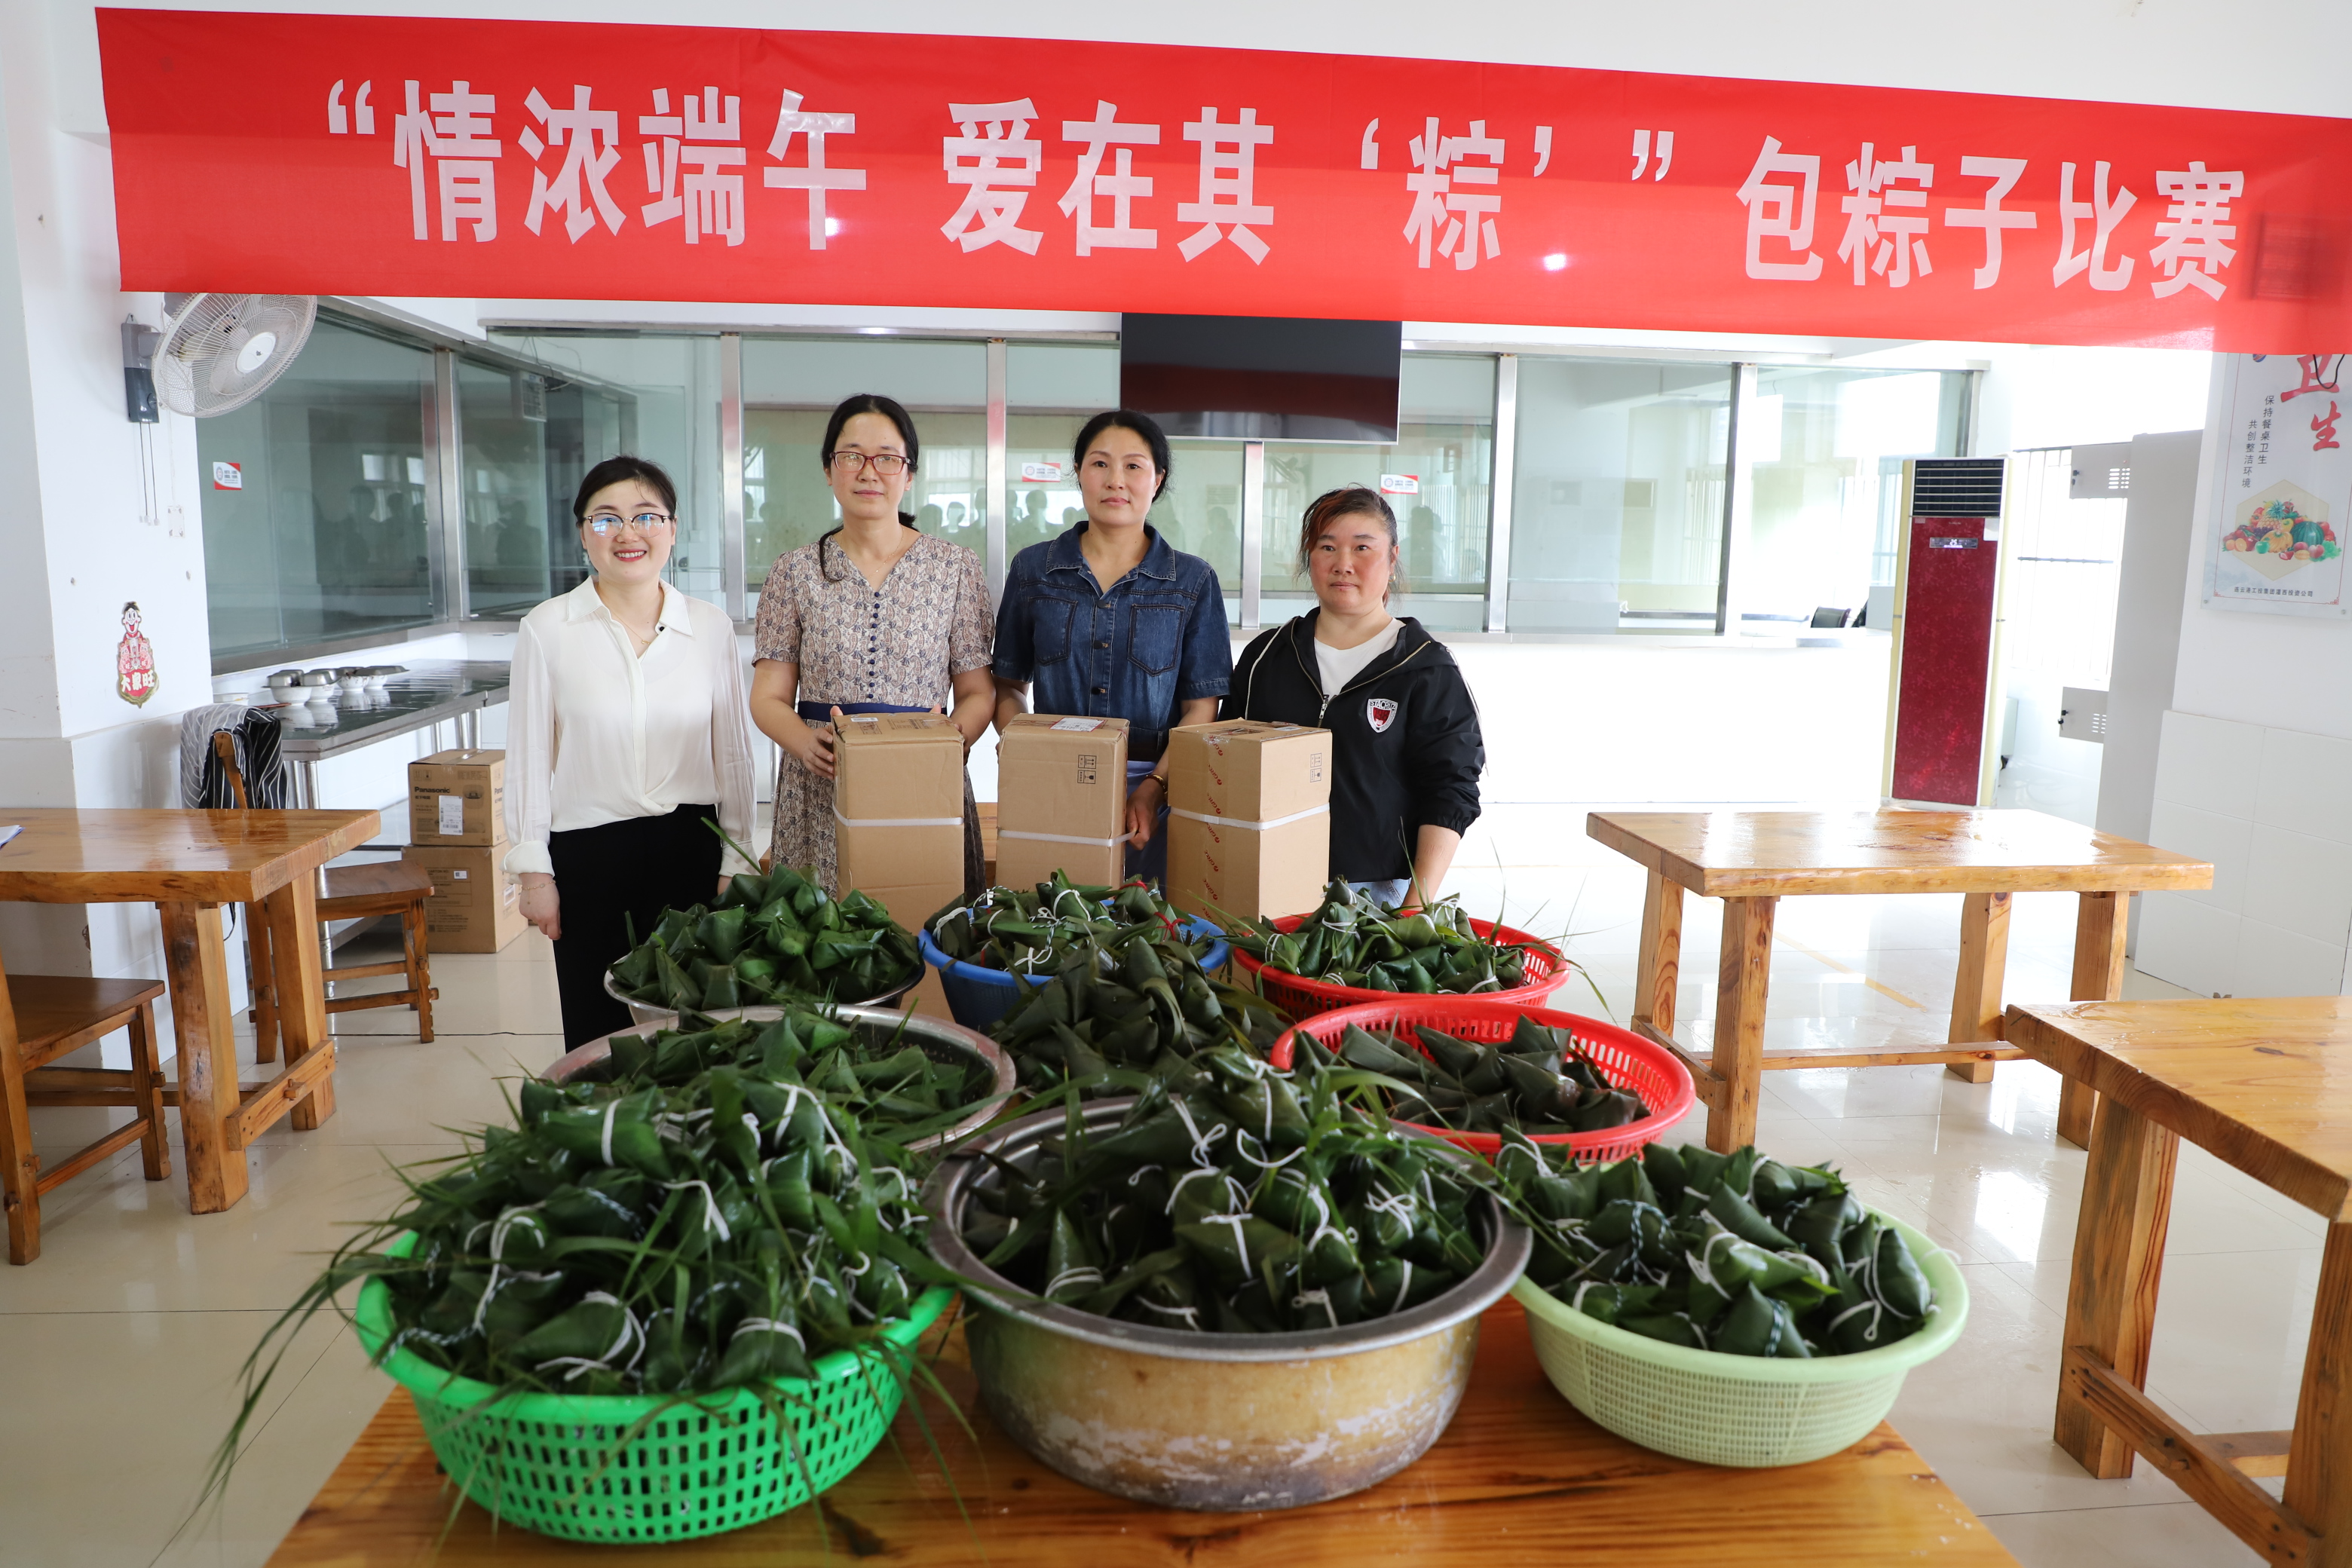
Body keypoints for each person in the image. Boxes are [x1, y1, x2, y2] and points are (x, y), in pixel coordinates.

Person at [506, 455, 757, 1049]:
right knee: (600, 1033)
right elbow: (528, 759)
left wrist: (739, 858)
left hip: (690, 850)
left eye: (646, 516)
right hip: (589, 857)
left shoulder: (709, 627)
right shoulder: (548, 628)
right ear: (583, 533)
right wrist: (533, 871)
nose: (627, 533)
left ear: (672, 529)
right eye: (606, 519)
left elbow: (734, 756)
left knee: (695, 1032)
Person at [749, 394, 994, 897]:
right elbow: (768, 697)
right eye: (851, 456)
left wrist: (948, 742)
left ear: (909, 475)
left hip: (924, 780)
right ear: (829, 470)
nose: (868, 472)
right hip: (822, 785)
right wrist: (805, 745)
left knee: (925, 919)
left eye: (887, 458)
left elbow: (978, 691)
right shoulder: (794, 572)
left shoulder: (955, 568)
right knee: (824, 930)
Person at [993, 409, 1231, 884]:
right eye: (1100, 463)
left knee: (1149, 918)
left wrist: (1154, 788)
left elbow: (1202, 708)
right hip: (1057, 778)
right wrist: (1029, 751)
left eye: (1133, 466)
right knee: (1056, 914)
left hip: (1157, 787)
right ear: (1079, 473)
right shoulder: (1033, 570)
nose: (1115, 480)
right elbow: (1008, 686)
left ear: (1157, 480)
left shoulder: (1193, 580)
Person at [1223, 485, 1482, 908]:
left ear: (1392, 559)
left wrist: (1416, 904)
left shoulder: (1426, 668)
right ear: (1309, 557)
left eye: (1362, 548)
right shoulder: (1266, 656)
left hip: (1378, 894)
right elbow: (1226, 761)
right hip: (1264, 878)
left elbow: (1451, 789)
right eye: (1327, 547)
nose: (1343, 564)